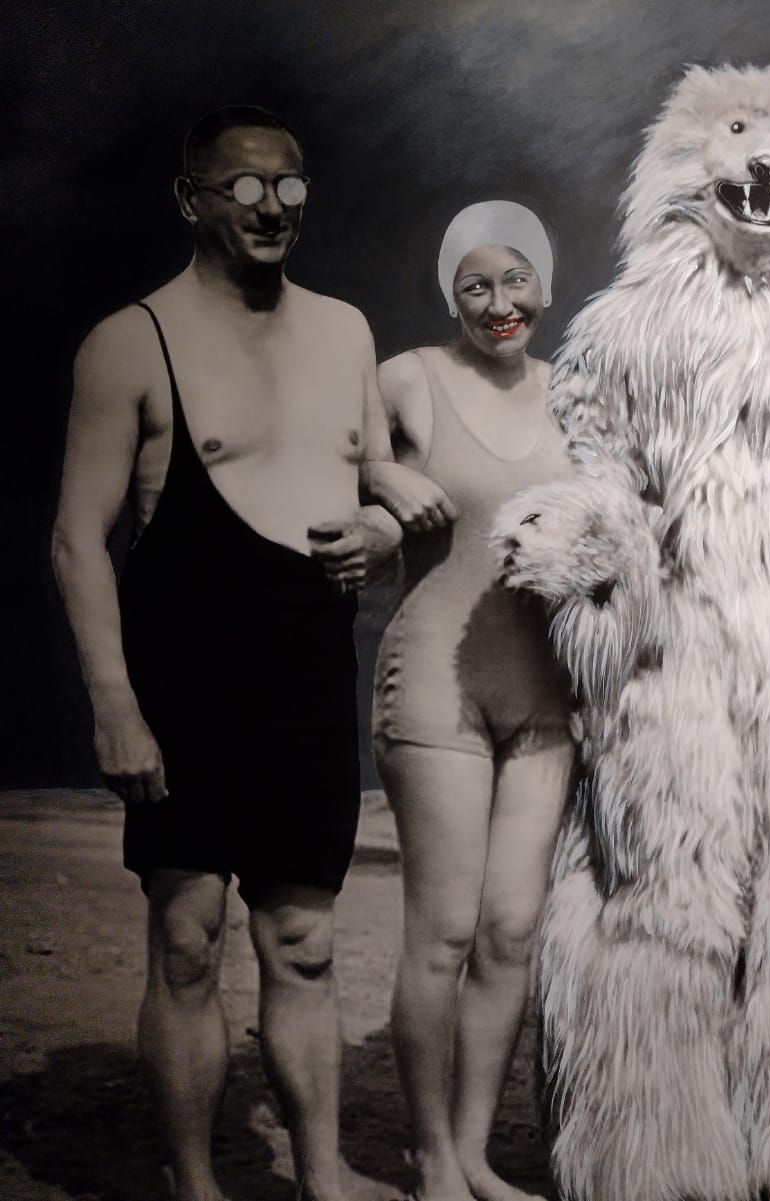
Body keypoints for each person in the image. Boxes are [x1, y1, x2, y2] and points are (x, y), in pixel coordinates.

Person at [50, 106, 402, 1201]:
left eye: (289, 184)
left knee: (302, 940)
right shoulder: (130, 341)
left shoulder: (345, 330)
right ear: (189, 197)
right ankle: (196, 1184)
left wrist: (382, 530)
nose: (271, 206)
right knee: (189, 937)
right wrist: (115, 704)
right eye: (244, 185)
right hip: (187, 685)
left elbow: (382, 487)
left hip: (305, 680)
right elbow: (76, 540)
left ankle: (321, 1179)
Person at [361, 201, 574, 1201]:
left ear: (545, 285)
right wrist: (381, 473)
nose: (499, 303)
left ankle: (476, 1151)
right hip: (435, 683)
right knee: (443, 930)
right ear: (452, 295)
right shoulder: (409, 376)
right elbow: (328, 455)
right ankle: (431, 1154)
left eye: (515, 280)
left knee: (511, 928)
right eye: (475, 286)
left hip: (545, 697)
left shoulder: (579, 394)